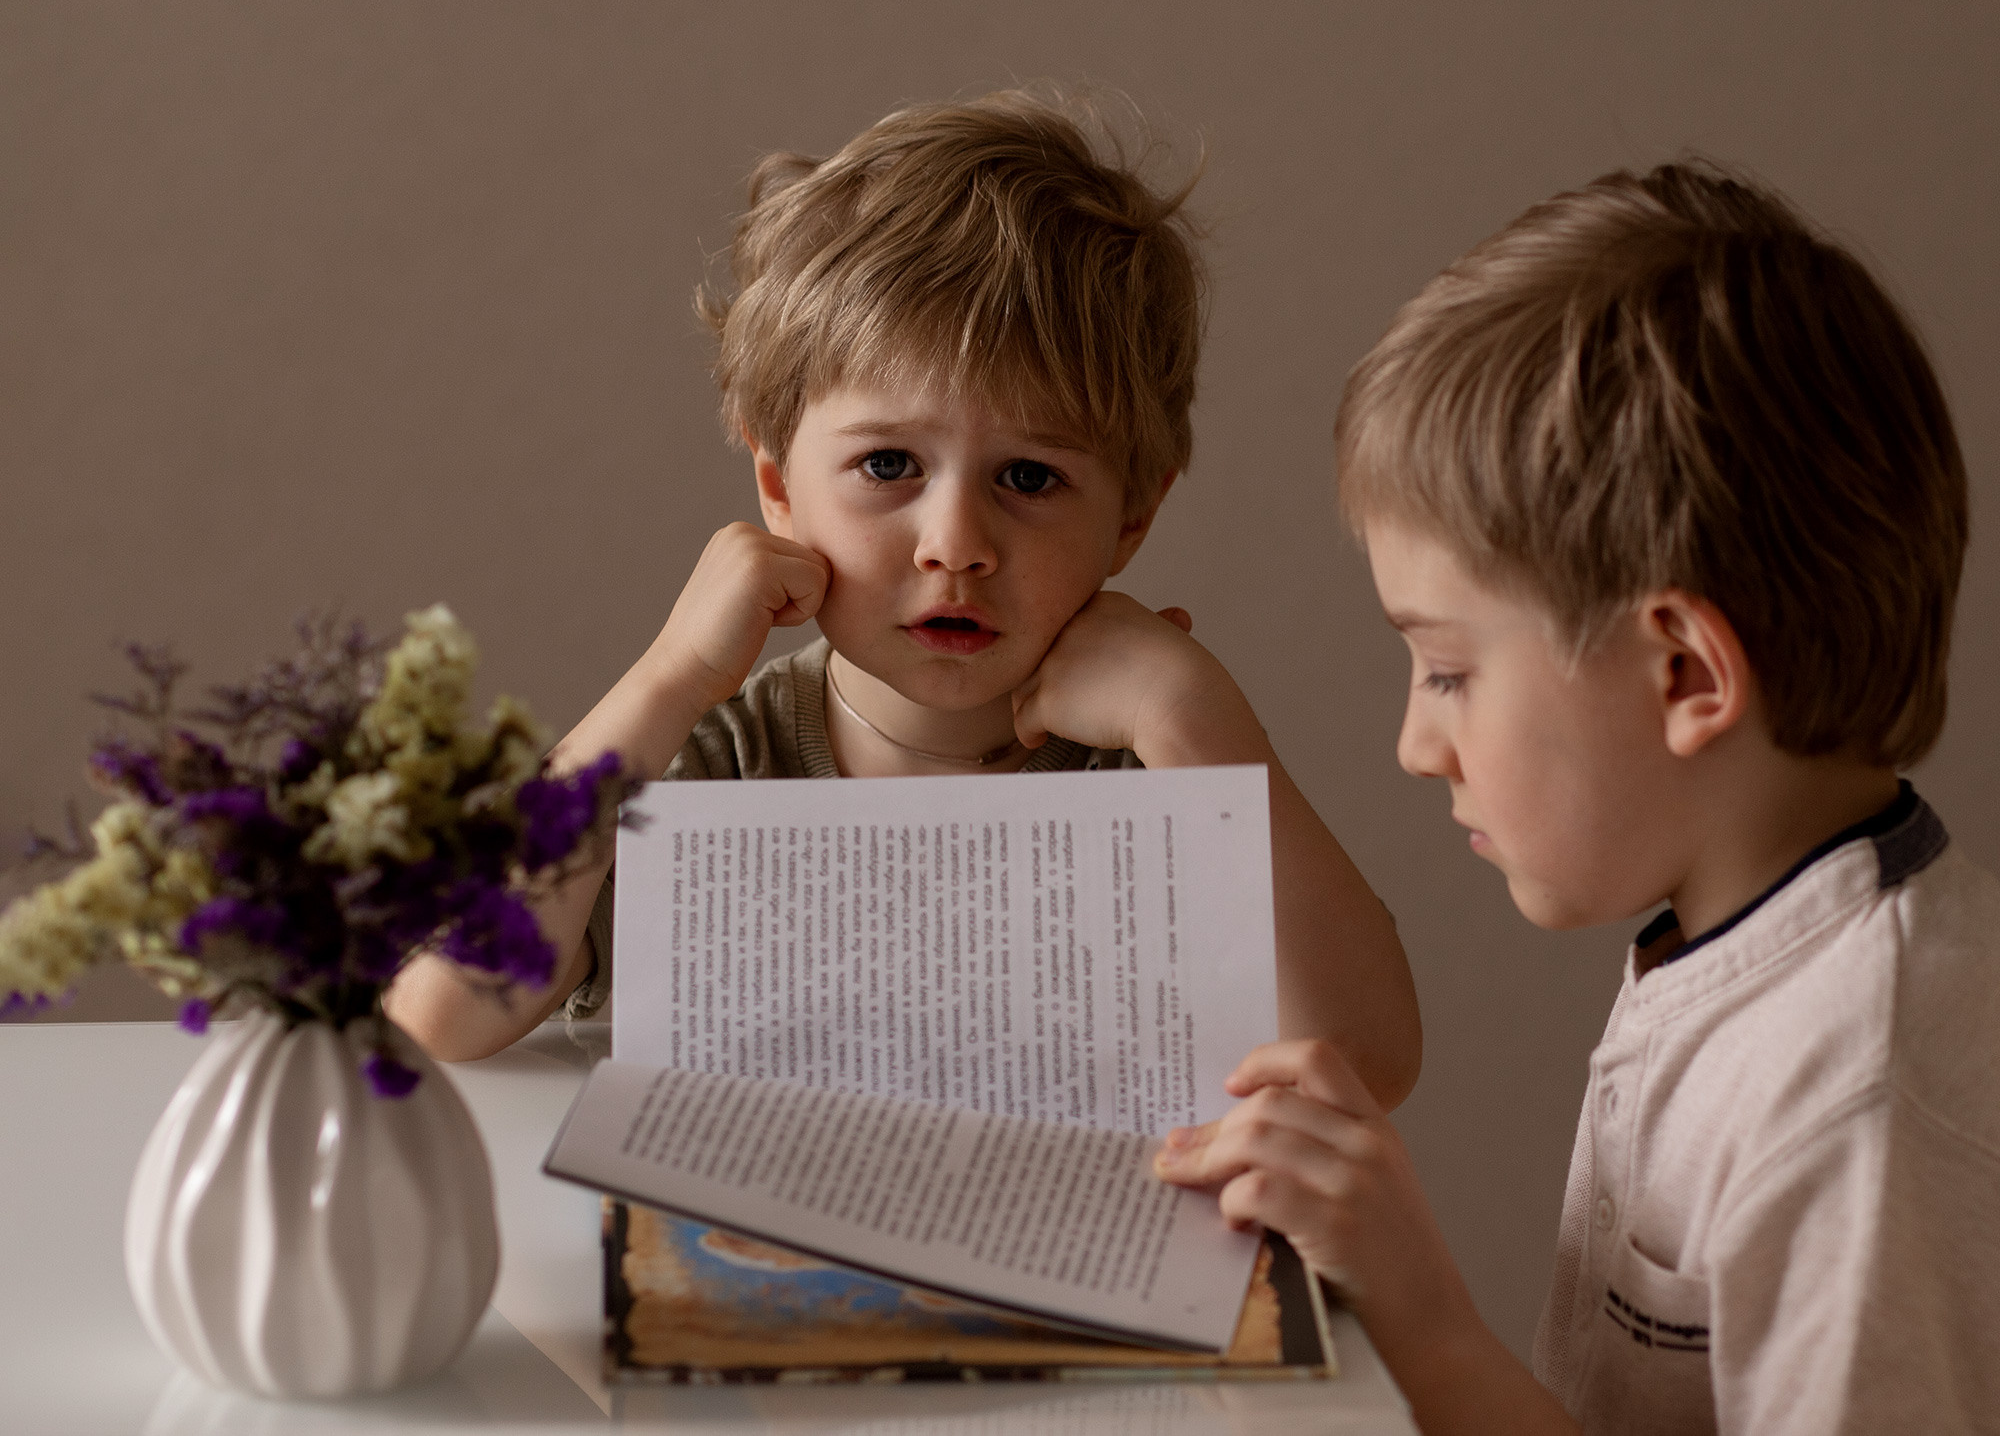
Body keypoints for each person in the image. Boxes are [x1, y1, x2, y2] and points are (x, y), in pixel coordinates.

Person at [1156, 161, 1996, 1433]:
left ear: (1682, 673)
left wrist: (1426, 1323)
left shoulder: (1849, 1110)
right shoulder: (1742, 950)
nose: (1412, 744)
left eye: (1446, 670)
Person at [387, 90, 1421, 1104]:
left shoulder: (1147, 777)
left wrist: (1202, 731)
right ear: (779, 487)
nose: (956, 546)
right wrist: (667, 680)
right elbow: (441, 1013)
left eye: (1027, 478)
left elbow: (1367, 1062)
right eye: (888, 467)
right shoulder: (718, 766)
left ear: (1130, 520)